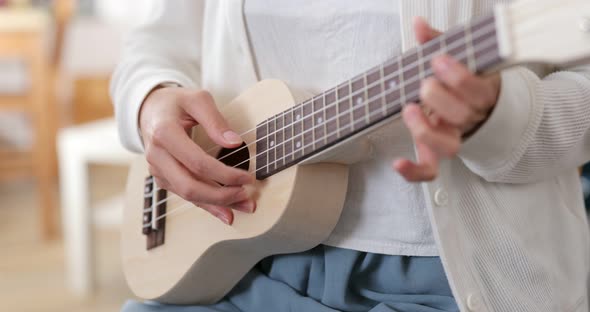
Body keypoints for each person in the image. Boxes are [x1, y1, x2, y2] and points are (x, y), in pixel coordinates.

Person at [110, 1, 590, 311]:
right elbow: (154, 43)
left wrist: (498, 114)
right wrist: (150, 102)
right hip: (239, 266)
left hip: (448, 285)